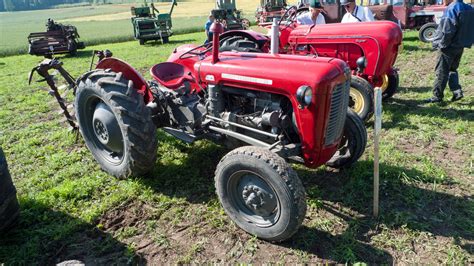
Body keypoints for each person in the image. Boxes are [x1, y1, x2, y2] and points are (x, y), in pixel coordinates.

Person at [425, 0, 473, 103]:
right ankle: (456, 91)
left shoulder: (452, 8)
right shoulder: (469, 8)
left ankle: (437, 97)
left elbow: (448, 29)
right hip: (460, 45)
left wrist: (441, 44)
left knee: (441, 71)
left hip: (448, 46)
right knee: (452, 69)